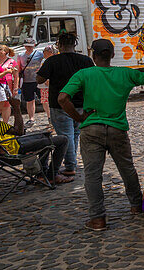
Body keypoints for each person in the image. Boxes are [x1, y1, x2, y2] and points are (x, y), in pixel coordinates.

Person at [58, 38, 144, 231]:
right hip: (117, 129)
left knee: (93, 175)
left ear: (92, 55)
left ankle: (98, 219)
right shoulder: (125, 73)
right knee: (127, 168)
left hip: (91, 129)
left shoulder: (84, 74)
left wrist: (78, 118)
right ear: (112, 55)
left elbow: (62, 98)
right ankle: (137, 206)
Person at [0, 85, 71, 185]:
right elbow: (19, 131)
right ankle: (52, 175)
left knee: (44, 136)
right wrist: (16, 108)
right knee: (62, 140)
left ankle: (41, 173)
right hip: (10, 151)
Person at [37, 31, 92, 180]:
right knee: (74, 134)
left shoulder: (52, 61)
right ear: (74, 44)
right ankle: (70, 164)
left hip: (59, 103)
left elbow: (39, 79)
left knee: (65, 136)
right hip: (81, 103)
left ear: (59, 45)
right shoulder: (86, 60)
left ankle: (70, 166)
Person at [18, 39, 45, 127]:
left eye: (30, 46)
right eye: (26, 46)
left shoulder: (40, 54)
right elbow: (19, 68)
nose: (28, 48)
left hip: (38, 80)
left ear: (34, 45)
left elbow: (45, 62)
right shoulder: (21, 55)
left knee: (45, 100)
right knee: (29, 100)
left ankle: (49, 117)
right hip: (26, 81)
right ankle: (31, 118)